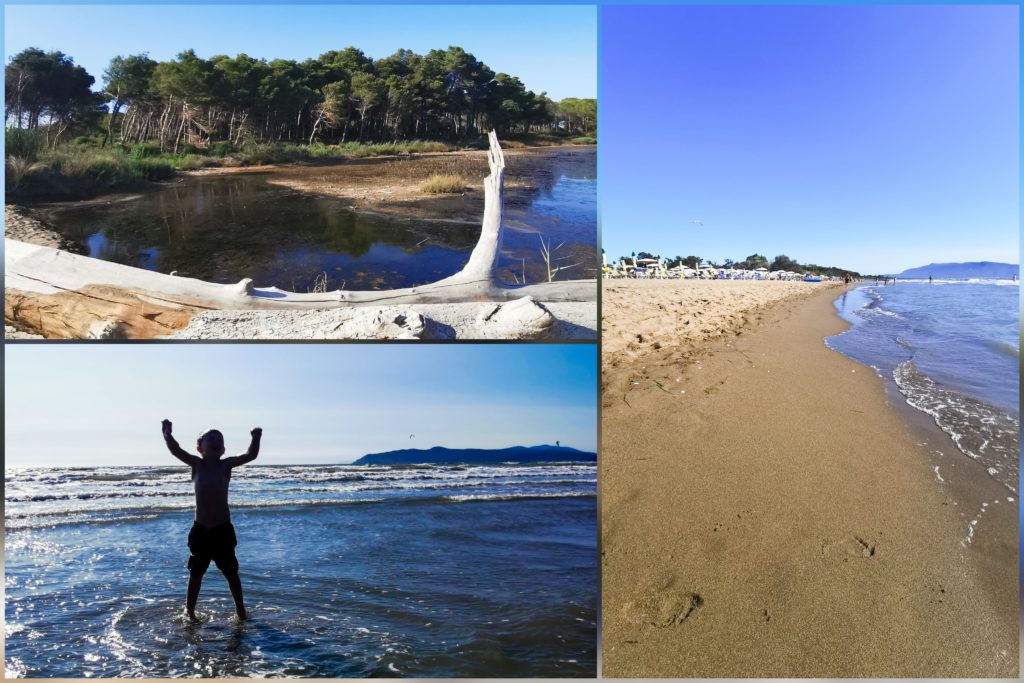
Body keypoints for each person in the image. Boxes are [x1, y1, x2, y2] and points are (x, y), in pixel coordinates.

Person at [161, 419, 262, 621]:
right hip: (201, 530)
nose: (216, 441)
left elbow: (250, 455)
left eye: (219, 439)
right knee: (196, 573)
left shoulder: (226, 465)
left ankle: (240, 610)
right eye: (211, 439)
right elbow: (176, 451)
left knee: (231, 572)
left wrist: (256, 438)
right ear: (200, 448)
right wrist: (167, 434)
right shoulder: (196, 464)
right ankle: (189, 611)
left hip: (222, 530)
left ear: (223, 448)